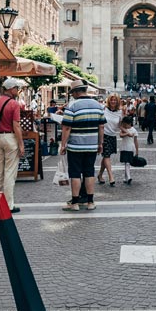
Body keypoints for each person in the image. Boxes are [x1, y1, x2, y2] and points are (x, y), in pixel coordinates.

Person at [59, 79, 105, 212]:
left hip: (75, 146)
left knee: (75, 173)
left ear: (76, 92)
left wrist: (63, 144)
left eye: (72, 92)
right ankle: (90, 202)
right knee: (89, 172)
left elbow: (66, 127)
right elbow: (101, 126)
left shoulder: (72, 106)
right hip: (91, 145)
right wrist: (100, 143)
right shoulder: (97, 105)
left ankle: (75, 203)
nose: (72, 95)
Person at [0, 78, 26, 213]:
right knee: (9, 172)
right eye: (16, 88)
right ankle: (8, 205)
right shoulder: (14, 104)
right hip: (10, 138)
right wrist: (21, 144)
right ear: (11, 89)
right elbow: (16, 126)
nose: (17, 91)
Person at [98, 94, 122, 186]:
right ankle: (111, 177)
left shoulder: (120, 112)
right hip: (103, 135)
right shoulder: (104, 109)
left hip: (112, 136)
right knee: (107, 156)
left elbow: (120, 125)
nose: (113, 102)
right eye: (111, 100)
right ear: (109, 101)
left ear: (117, 101)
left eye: (115, 100)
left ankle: (100, 175)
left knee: (106, 156)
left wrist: (128, 132)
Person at [118, 115, 139, 185]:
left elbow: (136, 141)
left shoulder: (134, 130)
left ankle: (128, 177)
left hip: (130, 148)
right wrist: (127, 133)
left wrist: (137, 150)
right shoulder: (124, 130)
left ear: (129, 124)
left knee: (127, 163)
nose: (124, 125)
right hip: (124, 148)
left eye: (125, 124)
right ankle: (126, 177)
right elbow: (120, 135)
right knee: (126, 163)